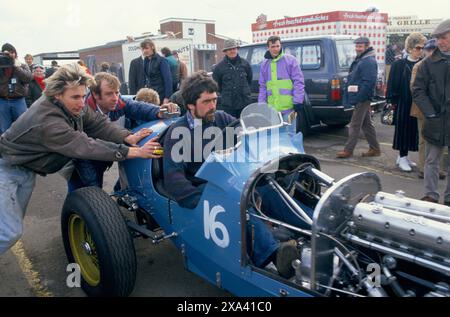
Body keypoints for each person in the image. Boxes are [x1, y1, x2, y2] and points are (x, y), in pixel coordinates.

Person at [0, 63, 161, 255]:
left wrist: (126, 136)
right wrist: (133, 152)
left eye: (84, 96)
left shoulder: (70, 105)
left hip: (26, 170)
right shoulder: (48, 121)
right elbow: (85, 145)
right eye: (75, 97)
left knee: (7, 225)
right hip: (7, 168)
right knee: (9, 233)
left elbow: (98, 123)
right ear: (57, 94)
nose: (81, 102)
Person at [163, 71, 300, 278]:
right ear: (191, 105)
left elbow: (247, 136)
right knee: (235, 202)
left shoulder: (221, 118)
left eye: (215, 100)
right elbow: (174, 180)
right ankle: (275, 255)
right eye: (207, 101)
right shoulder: (177, 132)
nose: (213, 106)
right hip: (205, 186)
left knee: (270, 188)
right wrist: (201, 205)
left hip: (235, 177)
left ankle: (314, 226)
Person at [68, 72, 179, 192]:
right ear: (95, 94)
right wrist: (95, 190)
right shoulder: (79, 111)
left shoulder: (118, 101)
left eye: (117, 92)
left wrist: (160, 111)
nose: (115, 98)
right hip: (82, 156)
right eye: (109, 94)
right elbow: (82, 151)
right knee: (83, 191)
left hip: (105, 151)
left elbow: (136, 107)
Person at [412, 19, 450, 205]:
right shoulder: (428, 63)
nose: (440, 42)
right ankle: (431, 196)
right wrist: (430, 113)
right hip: (435, 120)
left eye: (443, 37)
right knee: (431, 160)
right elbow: (418, 90)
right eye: (437, 38)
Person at [387, 33, 427, 171]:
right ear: (410, 48)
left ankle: (404, 157)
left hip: (417, 103)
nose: (420, 50)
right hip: (403, 102)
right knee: (403, 130)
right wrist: (393, 101)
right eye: (418, 47)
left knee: (413, 131)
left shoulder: (423, 64)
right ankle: (402, 156)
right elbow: (392, 83)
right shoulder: (399, 64)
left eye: (423, 47)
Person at [336, 37, 381, 159]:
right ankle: (375, 148)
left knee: (355, 124)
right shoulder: (363, 59)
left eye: (360, 46)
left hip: (362, 97)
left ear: (367, 46)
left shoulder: (368, 61)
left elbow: (369, 83)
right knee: (366, 124)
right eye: (356, 46)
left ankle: (348, 150)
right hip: (361, 96)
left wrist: (359, 97)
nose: (357, 48)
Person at [410, 39, 447, 180]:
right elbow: (414, 88)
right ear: (425, 51)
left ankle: (438, 169)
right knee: (424, 140)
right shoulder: (420, 66)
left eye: (434, 49)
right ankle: (423, 168)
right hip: (423, 109)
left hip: (440, 109)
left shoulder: (442, 64)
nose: (431, 52)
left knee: (441, 138)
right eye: (429, 50)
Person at [258, 36, 305, 134]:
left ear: (281, 46)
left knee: (290, 135)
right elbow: (262, 87)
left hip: (290, 109)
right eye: (273, 46)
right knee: (275, 137)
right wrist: (262, 105)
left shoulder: (291, 60)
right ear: (268, 48)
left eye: (277, 46)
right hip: (273, 110)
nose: (276, 49)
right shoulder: (264, 65)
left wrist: (298, 101)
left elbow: (298, 82)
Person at [213, 39, 253, 118]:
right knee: (230, 129)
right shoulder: (219, 67)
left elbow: (249, 80)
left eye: (234, 48)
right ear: (225, 51)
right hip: (229, 105)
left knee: (245, 127)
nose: (232, 51)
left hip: (244, 103)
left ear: (237, 49)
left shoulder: (245, 64)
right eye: (229, 49)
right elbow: (217, 86)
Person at [0, 43, 32, 134]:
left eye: (12, 52)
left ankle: (21, 145)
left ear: (15, 53)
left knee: (23, 126)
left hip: (18, 100)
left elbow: (28, 78)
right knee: (4, 128)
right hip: (3, 100)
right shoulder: (1, 66)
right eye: (7, 53)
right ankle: (5, 147)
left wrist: (16, 67)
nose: (10, 55)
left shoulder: (21, 65)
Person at [128, 39, 173, 104]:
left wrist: (167, 97)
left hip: (161, 94)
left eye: (146, 48)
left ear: (152, 47)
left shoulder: (162, 60)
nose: (144, 51)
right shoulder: (146, 60)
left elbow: (168, 80)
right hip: (150, 95)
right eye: (143, 49)